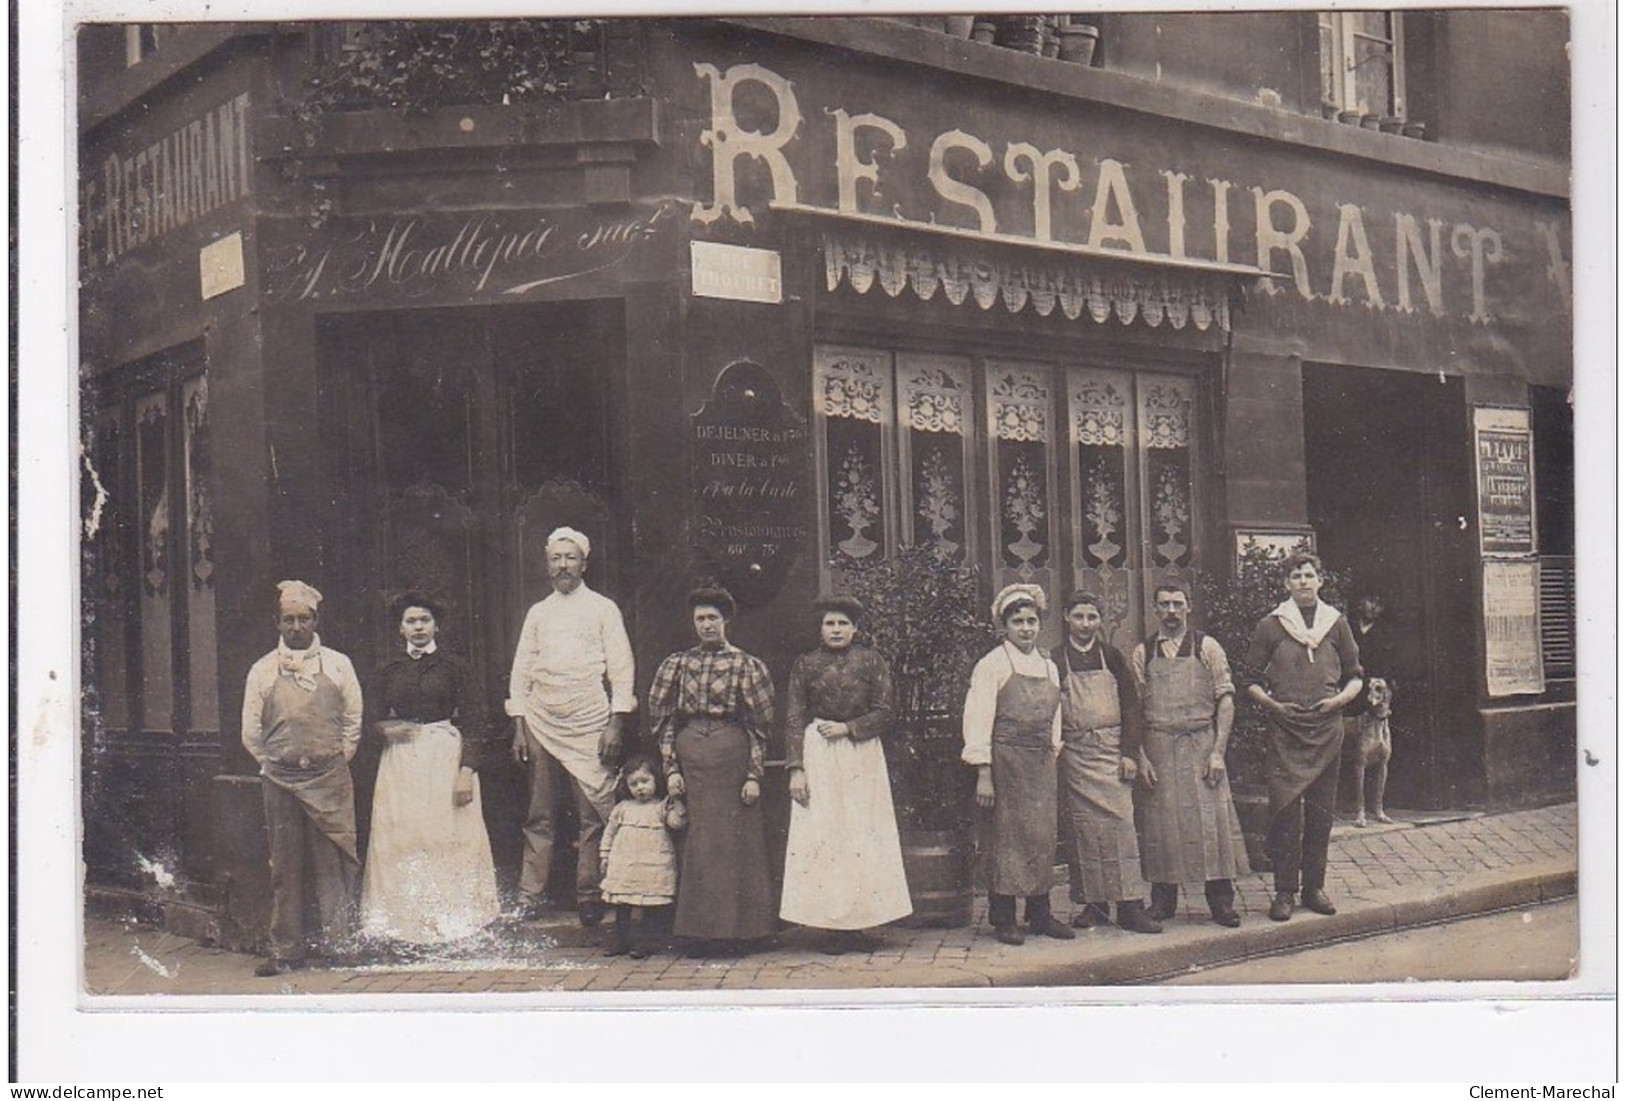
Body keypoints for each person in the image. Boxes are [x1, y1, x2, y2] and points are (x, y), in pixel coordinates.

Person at [506, 526, 635, 926]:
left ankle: (590, 894)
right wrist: (519, 725)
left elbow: (622, 668)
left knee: (593, 813)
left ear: (584, 563)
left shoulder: (603, 608)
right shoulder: (538, 613)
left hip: (590, 722)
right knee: (539, 812)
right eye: (556, 559)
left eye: (570, 558)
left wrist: (615, 723)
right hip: (543, 720)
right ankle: (531, 894)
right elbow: (521, 671)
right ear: (547, 565)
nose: (563, 566)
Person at [359, 594, 500, 950]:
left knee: (446, 836)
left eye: (424, 620)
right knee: (404, 838)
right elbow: (369, 719)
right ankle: (404, 928)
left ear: (436, 625)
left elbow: (476, 720)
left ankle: (454, 926)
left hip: (443, 755)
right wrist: (385, 729)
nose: (418, 627)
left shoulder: (455, 666)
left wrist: (466, 770)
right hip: (402, 762)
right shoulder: (388, 669)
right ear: (400, 627)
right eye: (411, 621)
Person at [240, 580, 363, 977]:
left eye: (303, 619)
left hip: (329, 777)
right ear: (277, 623)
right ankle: (286, 950)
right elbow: (251, 732)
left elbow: (352, 722)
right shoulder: (261, 670)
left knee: (333, 863)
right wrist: (278, 763)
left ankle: (339, 944)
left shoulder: (339, 664)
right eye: (288, 620)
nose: (296, 627)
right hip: (280, 780)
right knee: (285, 865)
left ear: (315, 621)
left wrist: (331, 761)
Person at [779, 594, 913, 954]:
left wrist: (850, 728)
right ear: (820, 629)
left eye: (842, 623)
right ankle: (832, 926)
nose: (836, 630)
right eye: (829, 623)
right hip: (819, 753)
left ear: (855, 628)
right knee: (826, 834)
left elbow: (887, 711)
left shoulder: (871, 661)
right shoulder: (805, 664)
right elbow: (793, 717)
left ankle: (861, 922)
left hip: (861, 754)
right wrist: (796, 769)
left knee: (861, 834)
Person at [649, 586, 777, 954]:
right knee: (698, 842)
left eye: (712, 618)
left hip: (731, 755)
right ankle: (698, 932)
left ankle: (741, 932)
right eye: (700, 619)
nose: (706, 625)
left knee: (735, 841)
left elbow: (759, 726)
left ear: (726, 621)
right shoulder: (678, 664)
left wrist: (754, 775)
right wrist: (671, 769)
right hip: (691, 755)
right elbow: (664, 721)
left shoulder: (746, 665)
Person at [1243, 552, 1364, 922]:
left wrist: (1339, 702)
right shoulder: (1271, 625)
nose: (1304, 582)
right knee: (1285, 814)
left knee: (1321, 814)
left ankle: (1314, 887)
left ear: (1320, 580)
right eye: (1296, 576)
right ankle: (1284, 891)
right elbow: (1248, 679)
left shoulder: (1336, 623)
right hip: (1286, 731)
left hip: (1327, 730)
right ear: (1286, 584)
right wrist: (1274, 707)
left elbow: (1356, 674)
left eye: (1310, 575)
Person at [1130, 581, 1250, 928]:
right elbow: (1134, 708)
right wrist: (1141, 756)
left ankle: (1221, 902)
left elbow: (1225, 698)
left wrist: (1218, 752)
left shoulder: (1207, 647)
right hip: (1159, 746)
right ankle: (1163, 902)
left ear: (1188, 607)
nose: (1171, 612)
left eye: (1177, 604)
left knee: (1212, 822)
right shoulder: (1144, 652)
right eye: (1164, 604)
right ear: (1155, 609)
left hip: (1201, 744)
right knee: (1161, 824)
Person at [962, 584, 1075, 946]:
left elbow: (1055, 714)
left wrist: (1053, 749)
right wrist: (983, 772)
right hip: (1004, 763)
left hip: (1040, 763)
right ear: (1004, 625)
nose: (1026, 629)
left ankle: (1040, 913)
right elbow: (977, 717)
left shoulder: (1048, 665)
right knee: (1006, 839)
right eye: (1017, 622)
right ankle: (1003, 917)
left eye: (1031, 622)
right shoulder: (992, 664)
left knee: (1041, 837)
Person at [1052, 593, 1162, 934]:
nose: (1086, 624)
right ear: (1067, 616)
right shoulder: (1055, 659)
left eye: (1093, 617)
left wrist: (1130, 753)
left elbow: (1132, 706)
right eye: (1079, 616)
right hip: (1076, 755)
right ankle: (1095, 905)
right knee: (1084, 833)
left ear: (1100, 621)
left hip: (1111, 751)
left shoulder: (1112, 656)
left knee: (1121, 828)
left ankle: (1130, 905)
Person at [598, 754, 685, 959]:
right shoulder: (623, 808)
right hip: (626, 864)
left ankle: (646, 942)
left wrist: (678, 802)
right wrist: (605, 855)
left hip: (652, 863)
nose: (640, 788)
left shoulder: (662, 806)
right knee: (623, 904)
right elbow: (609, 832)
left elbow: (677, 824)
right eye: (634, 784)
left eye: (645, 781)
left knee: (650, 903)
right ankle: (621, 939)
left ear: (656, 780)